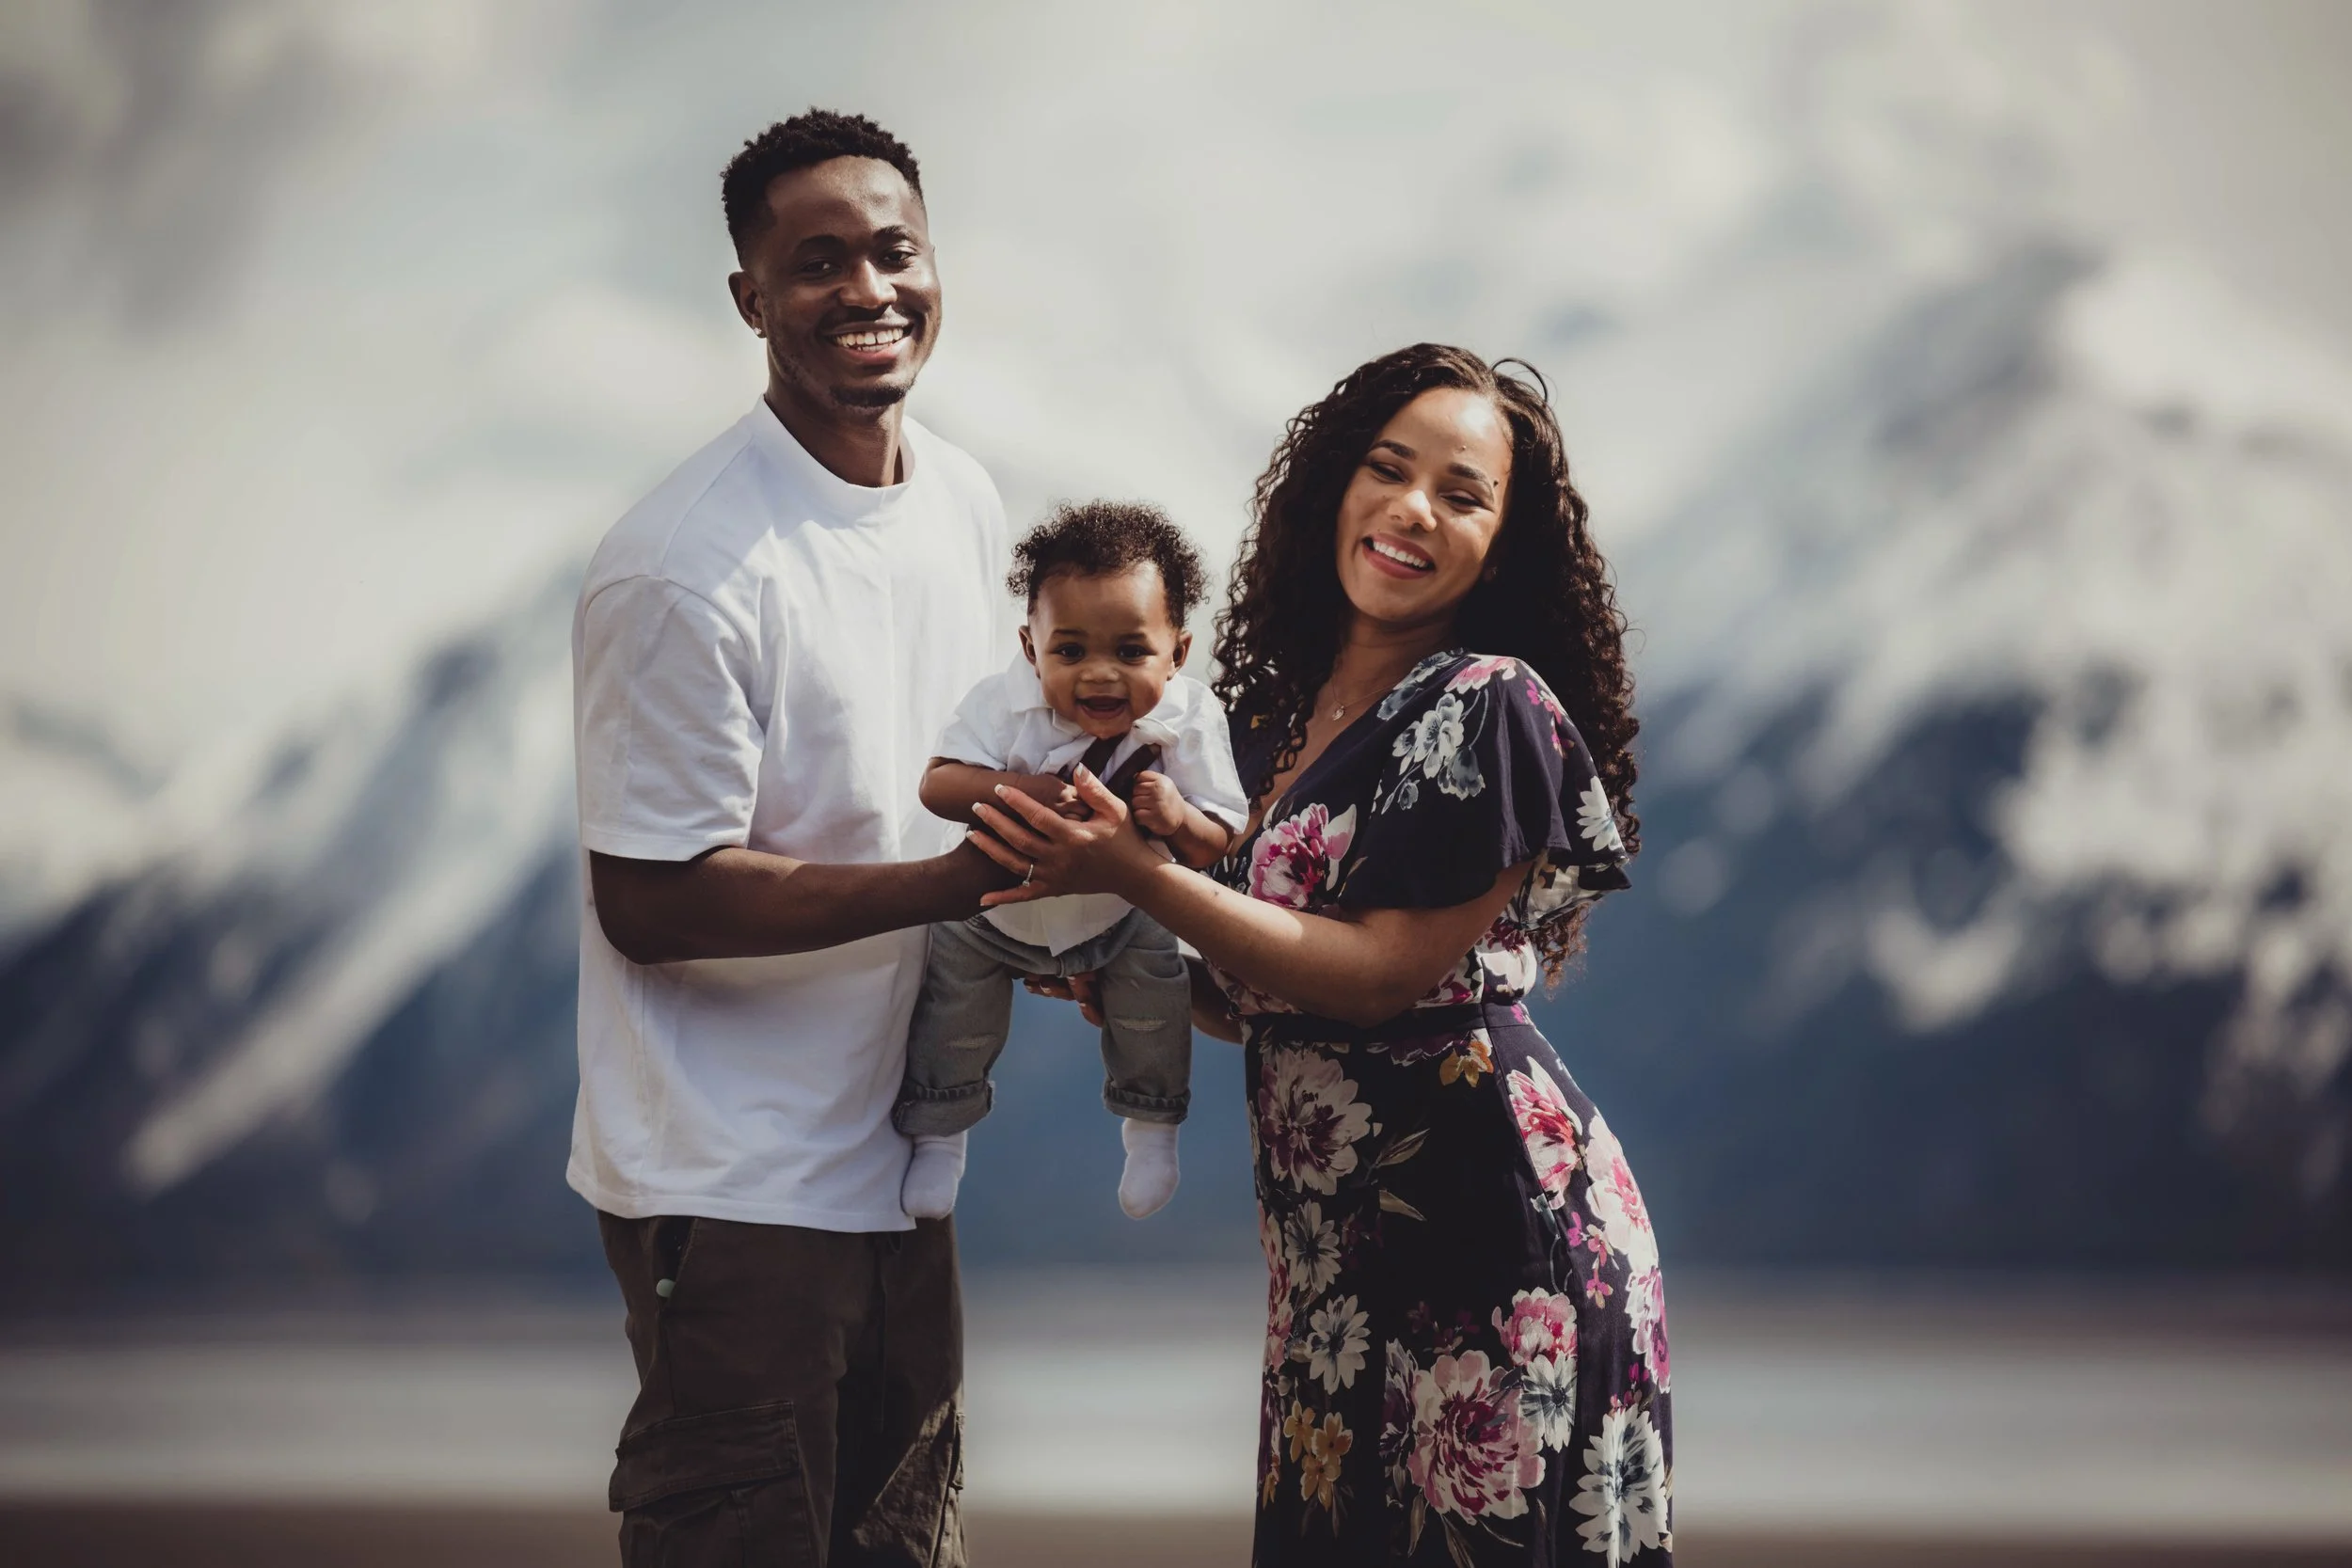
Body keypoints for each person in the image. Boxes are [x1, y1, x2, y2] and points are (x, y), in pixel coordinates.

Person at [977, 345, 1670, 1565]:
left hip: (1494, 1231)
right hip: (1330, 1263)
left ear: (1500, 545)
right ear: (1330, 488)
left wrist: (1145, 876)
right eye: (1387, 469)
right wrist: (1132, 970)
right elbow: (1280, 992)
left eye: (1462, 493)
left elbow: (1382, 974)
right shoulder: (1266, 715)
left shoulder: (1491, 704)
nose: (1412, 508)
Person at [569, 109, 1005, 1567]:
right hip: (735, 1186)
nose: (868, 289)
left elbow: (959, 772)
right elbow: (649, 895)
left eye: (894, 250)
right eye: (816, 263)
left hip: (901, 1169)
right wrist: (946, 885)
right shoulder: (681, 564)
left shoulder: (964, 500)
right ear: (750, 296)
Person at [895, 500, 1248, 1222]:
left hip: (1120, 914)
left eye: (1130, 651)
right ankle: (942, 1134)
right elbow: (938, 782)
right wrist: (1027, 790)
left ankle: (1151, 1130)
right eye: (1070, 651)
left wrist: (1177, 816)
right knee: (952, 1008)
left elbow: (1220, 837)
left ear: (1177, 653)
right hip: (997, 911)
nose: (1100, 675)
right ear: (1030, 647)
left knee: (1156, 999)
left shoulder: (1190, 718)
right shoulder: (1002, 705)